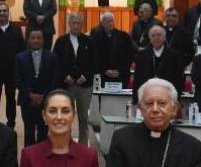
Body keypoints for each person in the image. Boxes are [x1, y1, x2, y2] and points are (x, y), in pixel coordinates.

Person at [53, 13, 95, 144]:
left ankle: (83, 145)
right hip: (67, 85)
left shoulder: (89, 41)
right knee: (66, 115)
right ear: (69, 24)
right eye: (74, 23)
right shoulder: (61, 41)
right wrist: (64, 76)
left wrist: (85, 76)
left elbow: (94, 62)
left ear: (82, 25)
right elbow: (55, 62)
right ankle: (66, 143)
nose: (76, 26)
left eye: (79, 23)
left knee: (83, 117)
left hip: (85, 85)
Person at [15, 28, 60, 145]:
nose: (36, 40)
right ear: (28, 40)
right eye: (33, 38)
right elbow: (18, 79)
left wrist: (43, 96)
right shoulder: (20, 57)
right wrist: (30, 95)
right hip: (27, 100)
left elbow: (55, 79)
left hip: (45, 101)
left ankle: (42, 159)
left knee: (43, 131)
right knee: (28, 131)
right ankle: (29, 159)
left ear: (43, 40)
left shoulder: (52, 57)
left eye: (39, 38)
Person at [132, 25, 185, 104]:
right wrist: (136, 99)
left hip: (167, 96)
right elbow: (137, 78)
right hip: (146, 96)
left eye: (159, 35)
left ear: (164, 37)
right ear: (150, 38)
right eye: (153, 35)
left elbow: (179, 78)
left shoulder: (175, 55)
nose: (156, 38)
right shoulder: (142, 55)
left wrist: (176, 97)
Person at [90, 11, 133, 87]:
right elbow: (94, 57)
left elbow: (129, 56)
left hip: (121, 76)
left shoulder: (124, 36)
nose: (111, 23)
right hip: (102, 77)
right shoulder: (95, 38)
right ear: (102, 23)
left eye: (112, 21)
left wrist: (119, 71)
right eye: (108, 21)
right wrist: (105, 71)